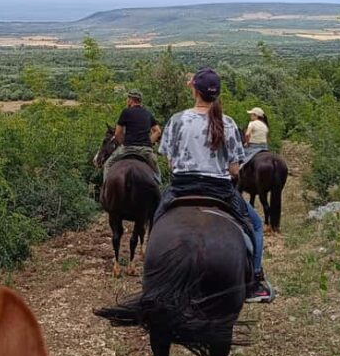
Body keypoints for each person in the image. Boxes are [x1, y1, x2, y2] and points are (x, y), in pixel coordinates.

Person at [156, 68, 274, 303]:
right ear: (216, 94)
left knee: (156, 221)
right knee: (256, 225)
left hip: (182, 187)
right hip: (219, 190)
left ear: (194, 90)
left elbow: (169, 160)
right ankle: (254, 281)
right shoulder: (227, 123)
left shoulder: (177, 120)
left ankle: (152, 275)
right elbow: (233, 170)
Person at [103, 90, 162, 182]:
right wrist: (148, 142)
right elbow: (158, 131)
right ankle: (158, 191)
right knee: (157, 174)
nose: (127, 101)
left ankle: (106, 190)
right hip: (145, 151)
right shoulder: (147, 113)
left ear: (131, 100)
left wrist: (124, 143)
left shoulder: (126, 112)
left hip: (127, 148)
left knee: (108, 164)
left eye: (128, 98)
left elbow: (117, 133)